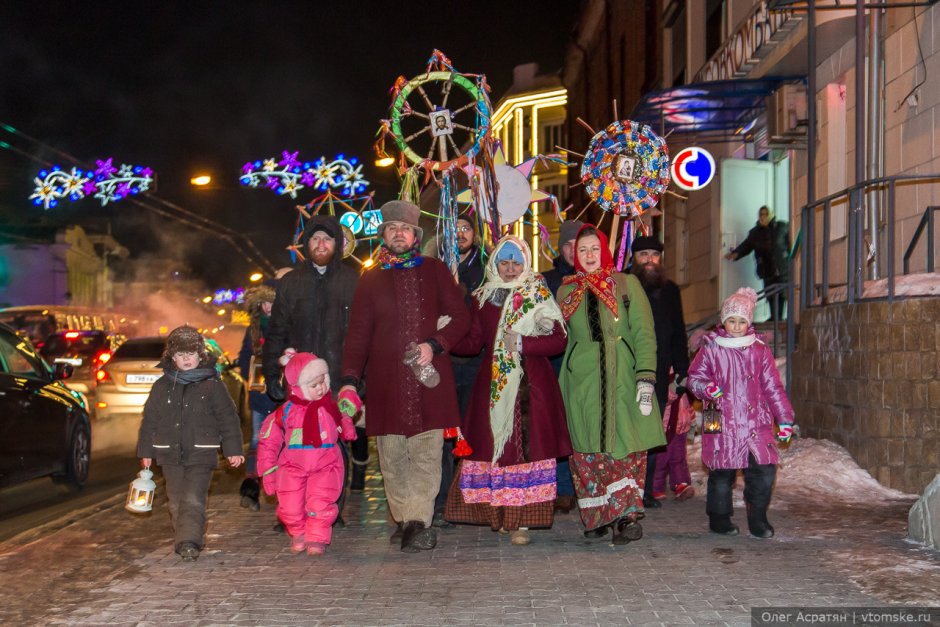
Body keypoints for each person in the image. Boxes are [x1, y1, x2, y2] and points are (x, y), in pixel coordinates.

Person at [339, 200, 471, 553]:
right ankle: (405, 517)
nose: (399, 234)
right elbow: (358, 335)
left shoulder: (436, 270)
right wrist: (350, 379)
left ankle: (417, 522)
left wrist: (435, 344)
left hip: (429, 381)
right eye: (393, 228)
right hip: (385, 384)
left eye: (406, 229)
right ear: (383, 235)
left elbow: (461, 318)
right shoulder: (370, 279)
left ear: (416, 236)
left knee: (427, 455)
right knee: (393, 458)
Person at [444, 235, 571, 545]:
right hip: (494, 388)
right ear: (495, 264)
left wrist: (524, 343)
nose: (511, 269)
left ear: (525, 263)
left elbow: (558, 339)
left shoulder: (538, 294)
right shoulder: (483, 298)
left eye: (516, 263)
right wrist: (446, 334)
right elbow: (474, 342)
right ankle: (499, 516)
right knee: (496, 452)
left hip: (531, 388)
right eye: (505, 262)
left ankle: (523, 522)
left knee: (526, 450)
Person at [557, 225, 665, 544]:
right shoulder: (566, 291)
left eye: (594, 249)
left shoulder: (626, 284)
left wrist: (645, 375)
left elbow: (645, 332)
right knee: (587, 448)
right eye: (582, 250)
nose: (589, 256)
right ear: (574, 255)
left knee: (623, 445)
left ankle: (626, 516)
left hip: (623, 376)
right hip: (582, 380)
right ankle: (597, 516)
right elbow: (554, 334)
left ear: (604, 250)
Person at [262, 213, 359, 524]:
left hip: (336, 378)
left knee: (335, 446)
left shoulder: (352, 282)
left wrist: (355, 379)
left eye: (327, 239)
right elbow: (276, 331)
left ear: (338, 244)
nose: (321, 244)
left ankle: (330, 508)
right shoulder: (291, 283)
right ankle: (291, 509)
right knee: (294, 444)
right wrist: (271, 373)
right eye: (315, 239)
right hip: (298, 382)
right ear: (307, 244)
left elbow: (361, 333)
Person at [687, 287, 795, 538]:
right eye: (731, 320)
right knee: (721, 473)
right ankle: (719, 517)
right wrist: (706, 388)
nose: (736, 326)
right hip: (721, 421)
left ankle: (757, 516)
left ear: (749, 322)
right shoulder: (712, 349)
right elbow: (694, 379)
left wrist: (785, 419)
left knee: (764, 472)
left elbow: (773, 387)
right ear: (723, 321)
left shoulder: (759, 350)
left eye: (742, 321)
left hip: (756, 423)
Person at [137, 326, 244, 562]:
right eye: (180, 354)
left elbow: (228, 418)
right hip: (169, 454)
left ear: (200, 356)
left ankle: (189, 542)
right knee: (175, 501)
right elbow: (150, 421)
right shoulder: (161, 386)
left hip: (202, 453)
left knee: (193, 498)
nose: (186, 359)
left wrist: (233, 449)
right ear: (172, 358)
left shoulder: (213, 386)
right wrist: (146, 452)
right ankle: (185, 536)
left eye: (191, 353)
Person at [257, 351, 357, 555]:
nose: (321, 388)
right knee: (290, 507)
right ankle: (298, 531)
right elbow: (268, 442)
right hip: (292, 467)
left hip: (326, 464)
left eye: (323, 381)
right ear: (299, 387)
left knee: (321, 503)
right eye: (314, 385)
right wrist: (268, 472)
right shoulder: (285, 412)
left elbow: (343, 419)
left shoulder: (329, 407)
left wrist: (347, 419)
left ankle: (316, 538)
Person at [630, 235, 691, 507]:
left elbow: (678, 333)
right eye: (643, 255)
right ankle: (626, 489)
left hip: (657, 372)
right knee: (629, 432)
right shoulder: (625, 286)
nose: (649, 260)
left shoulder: (670, 291)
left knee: (652, 432)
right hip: (628, 371)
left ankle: (645, 490)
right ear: (634, 259)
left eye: (654, 255)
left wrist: (681, 372)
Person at [433, 214, 486, 528]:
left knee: (469, 434)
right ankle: (440, 502)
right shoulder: (434, 266)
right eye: (455, 230)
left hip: (474, 362)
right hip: (442, 362)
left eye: (466, 229)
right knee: (441, 435)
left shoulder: (485, 267)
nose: (460, 235)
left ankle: (465, 501)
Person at [540, 218, 583, 514]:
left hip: (584, 362)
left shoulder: (598, 278)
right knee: (557, 426)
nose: (572, 251)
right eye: (567, 244)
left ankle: (582, 484)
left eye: (578, 245)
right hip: (554, 364)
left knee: (581, 426)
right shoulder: (547, 280)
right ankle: (561, 488)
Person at [237, 283, 278, 511]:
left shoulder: (286, 326)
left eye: (272, 302)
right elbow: (244, 356)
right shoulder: (252, 329)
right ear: (258, 305)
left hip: (282, 395)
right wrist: (250, 374)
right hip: (260, 396)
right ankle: (251, 488)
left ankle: (281, 486)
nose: (268, 307)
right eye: (264, 302)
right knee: (257, 440)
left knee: (281, 442)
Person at [724, 206, 790, 319]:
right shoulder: (755, 233)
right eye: (761, 214)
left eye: (765, 214)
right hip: (766, 268)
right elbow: (746, 246)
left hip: (782, 267)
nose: (763, 217)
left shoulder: (781, 227)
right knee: (770, 293)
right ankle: (774, 317)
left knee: (782, 293)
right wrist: (736, 254)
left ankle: (779, 317)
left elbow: (790, 243)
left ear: (771, 215)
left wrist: (790, 258)